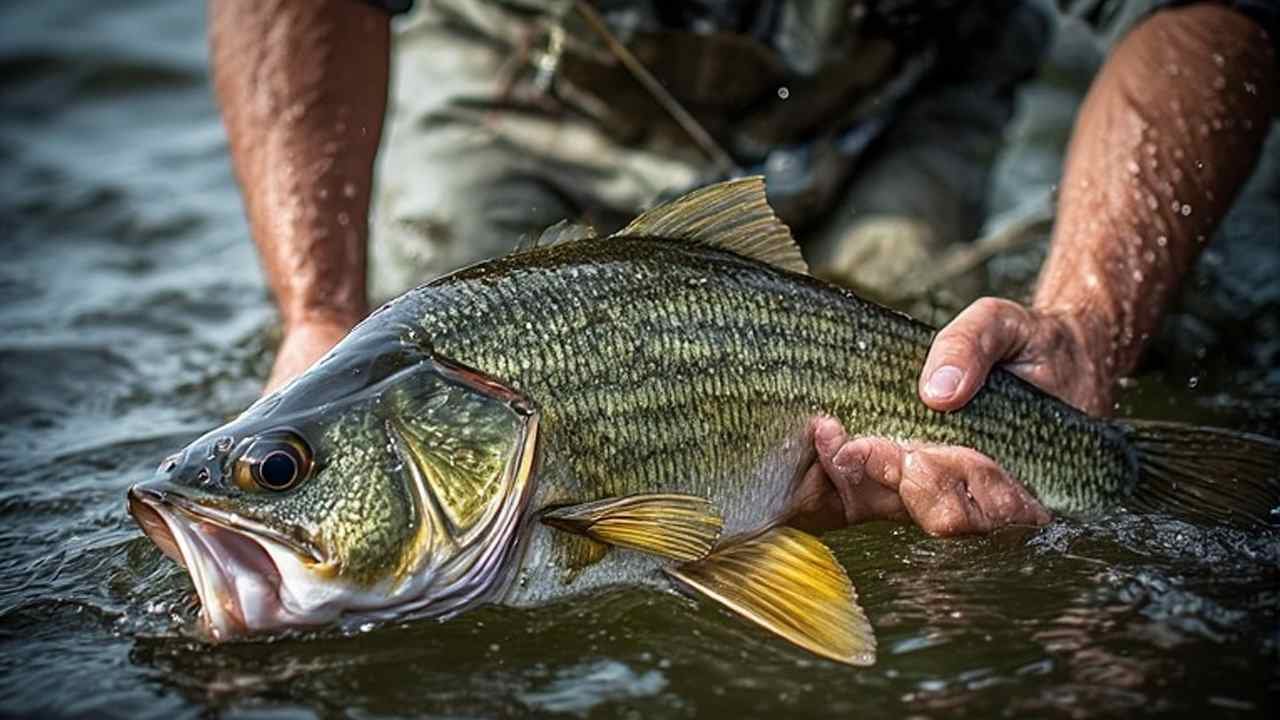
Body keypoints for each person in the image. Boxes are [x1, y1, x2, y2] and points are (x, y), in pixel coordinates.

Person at [209, 0, 1277, 536]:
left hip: (896, 84)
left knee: (930, 361)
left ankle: (1126, 468)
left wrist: (1086, 321)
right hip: (523, 76)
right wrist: (316, 314)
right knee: (406, 332)